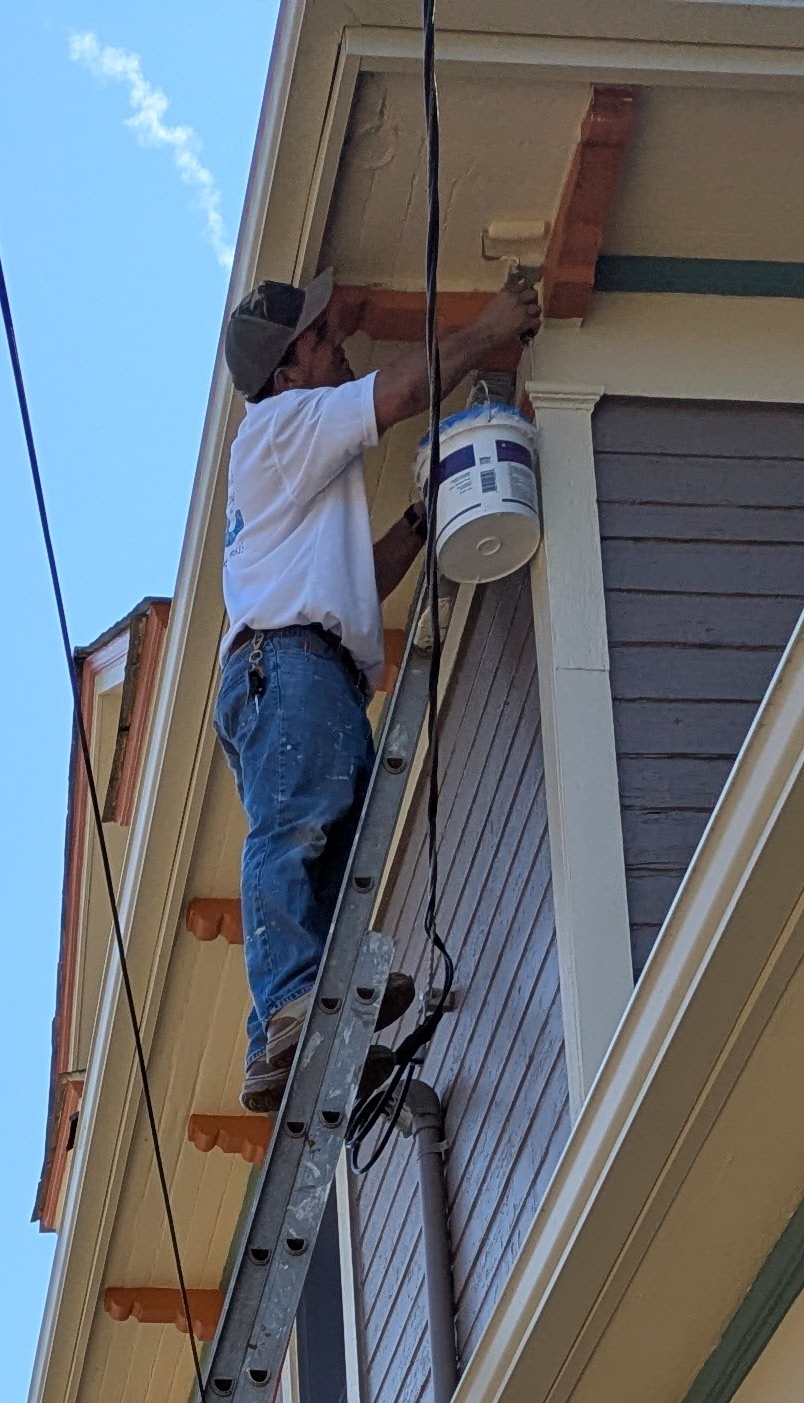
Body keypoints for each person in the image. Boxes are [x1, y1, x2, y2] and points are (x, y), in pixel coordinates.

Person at [215, 266, 545, 1110]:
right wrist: (489, 328)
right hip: (288, 667)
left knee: (324, 854)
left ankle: (307, 1033)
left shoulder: (297, 467)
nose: (343, 346)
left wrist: (420, 521)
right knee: (295, 830)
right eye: (323, 340)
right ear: (285, 370)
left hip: (302, 669)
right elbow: (395, 392)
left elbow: (356, 580)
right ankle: (292, 1010)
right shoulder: (281, 426)